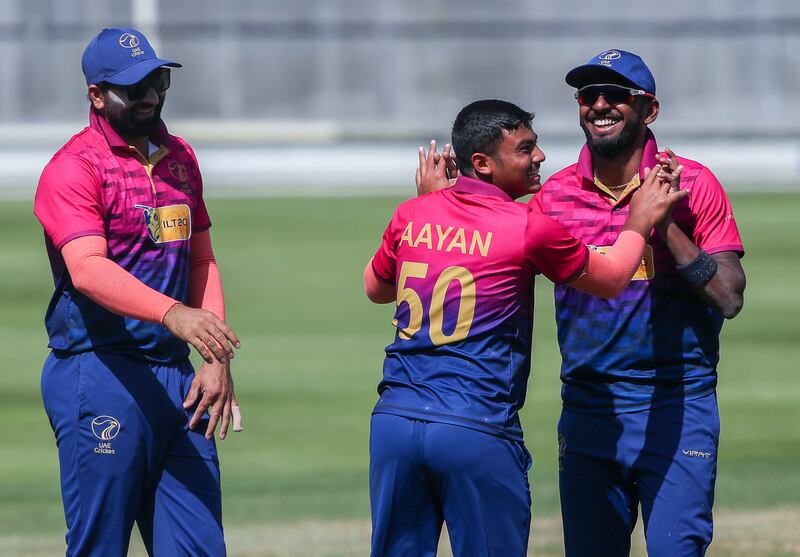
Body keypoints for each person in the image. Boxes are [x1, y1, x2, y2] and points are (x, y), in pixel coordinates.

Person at [418, 50, 746, 557]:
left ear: (649, 110)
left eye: (615, 94)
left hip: (679, 404)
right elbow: (486, 256)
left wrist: (664, 226)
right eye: (587, 95)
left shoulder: (694, 184)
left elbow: (729, 297)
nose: (599, 105)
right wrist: (443, 203)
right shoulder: (555, 195)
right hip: (591, 409)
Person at [365, 99, 686, 557]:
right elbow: (613, 279)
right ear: (482, 163)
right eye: (525, 149)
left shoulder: (411, 213)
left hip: (394, 423)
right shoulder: (528, 227)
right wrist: (639, 219)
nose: (539, 158)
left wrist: (431, 205)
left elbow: (376, 289)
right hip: (474, 428)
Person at [34, 27, 242, 556]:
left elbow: (202, 258)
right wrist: (174, 315)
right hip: (99, 371)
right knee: (100, 546)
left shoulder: (181, 158)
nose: (151, 96)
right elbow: (87, 269)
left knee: (199, 547)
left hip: (178, 379)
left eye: (158, 80)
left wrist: (213, 355)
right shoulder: (74, 168)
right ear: (96, 95)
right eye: (134, 87)